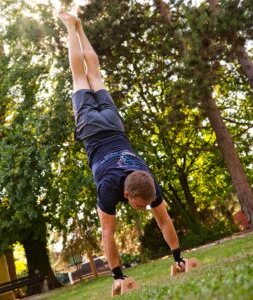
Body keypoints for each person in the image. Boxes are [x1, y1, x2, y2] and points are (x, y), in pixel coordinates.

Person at [58, 10, 185, 287]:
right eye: (141, 205)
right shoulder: (109, 187)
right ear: (126, 193)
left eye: (145, 204)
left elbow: (164, 219)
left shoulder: (148, 183)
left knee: (95, 74)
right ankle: (72, 26)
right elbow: (107, 233)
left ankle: (79, 27)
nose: (144, 208)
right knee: (81, 75)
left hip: (114, 125)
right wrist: (118, 277)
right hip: (92, 127)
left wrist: (178, 258)